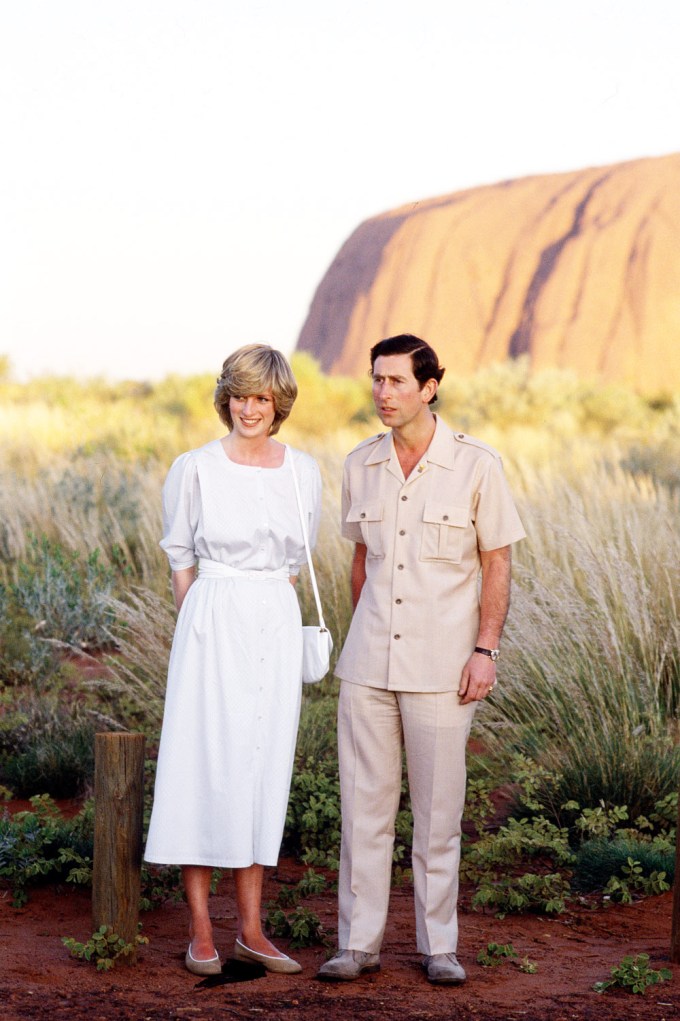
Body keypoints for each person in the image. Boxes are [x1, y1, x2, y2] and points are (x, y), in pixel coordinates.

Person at [317, 334, 526, 986]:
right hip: (368, 668)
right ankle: (358, 943)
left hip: (443, 669)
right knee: (363, 812)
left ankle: (441, 946)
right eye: (376, 380)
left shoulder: (477, 465)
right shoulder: (360, 464)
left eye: (397, 381)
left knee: (438, 816)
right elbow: (361, 561)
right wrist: (366, 631)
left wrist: (485, 649)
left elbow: (498, 559)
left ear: (430, 386)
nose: (382, 393)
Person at [145, 344, 322, 977]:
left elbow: (296, 565)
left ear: (280, 405)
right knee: (203, 763)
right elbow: (180, 556)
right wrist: (200, 625)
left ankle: (251, 929)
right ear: (227, 399)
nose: (250, 408)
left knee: (260, 765)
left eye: (263, 398)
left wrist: (266, 615)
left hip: (273, 619)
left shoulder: (303, 471)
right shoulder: (194, 467)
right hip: (211, 620)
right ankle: (200, 931)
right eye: (241, 396)